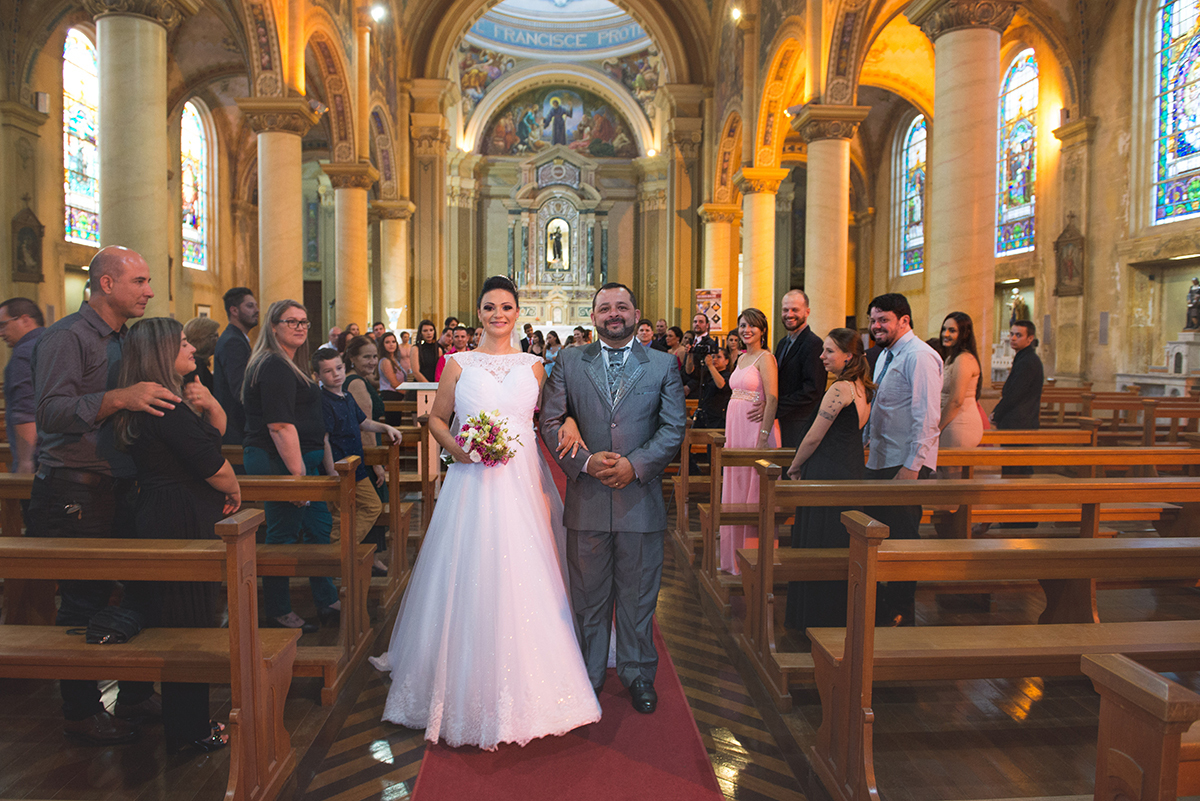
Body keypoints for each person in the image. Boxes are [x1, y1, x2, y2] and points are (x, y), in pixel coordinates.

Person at [374, 276, 602, 749]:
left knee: (527, 568)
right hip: (472, 479)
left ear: (517, 312)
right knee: (466, 566)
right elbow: (436, 418)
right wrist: (458, 451)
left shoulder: (537, 365)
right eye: (489, 307)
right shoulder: (457, 363)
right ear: (478, 313)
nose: (498, 314)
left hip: (521, 479)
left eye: (505, 306)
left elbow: (556, 414)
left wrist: (575, 422)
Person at [30, 245, 179, 745]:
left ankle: (133, 695)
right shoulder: (67, 338)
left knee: (139, 589)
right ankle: (79, 711)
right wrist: (120, 397)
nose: (150, 291)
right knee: (82, 601)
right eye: (139, 281)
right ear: (107, 284)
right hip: (77, 487)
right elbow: (50, 412)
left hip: (121, 483)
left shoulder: (126, 337)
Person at [540, 282, 687, 714]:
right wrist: (585, 463)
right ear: (593, 316)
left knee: (639, 595)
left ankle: (638, 672)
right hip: (586, 497)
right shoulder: (569, 361)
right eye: (605, 308)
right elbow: (550, 420)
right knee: (588, 595)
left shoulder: (662, 365)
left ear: (637, 312)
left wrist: (634, 465)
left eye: (622, 306)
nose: (614, 314)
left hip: (639, 500)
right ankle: (587, 673)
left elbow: (673, 427)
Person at [113, 317, 240, 754]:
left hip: (168, 510)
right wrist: (234, 484)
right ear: (160, 354)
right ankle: (189, 733)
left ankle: (182, 723)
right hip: (178, 518)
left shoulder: (163, 402)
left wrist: (210, 408)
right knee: (187, 624)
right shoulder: (164, 405)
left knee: (184, 617)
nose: (191, 349)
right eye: (183, 343)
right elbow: (212, 465)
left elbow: (205, 442)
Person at [242, 299, 336, 633]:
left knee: (318, 528)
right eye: (291, 321)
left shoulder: (287, 362)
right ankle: (279, 610)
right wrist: (297, 479)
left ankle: (326, 598)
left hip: (299, 462)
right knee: (282, 537)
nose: (299, 327)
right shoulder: (274, 365)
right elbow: (280, 426)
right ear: (273, 326)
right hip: (279, 461)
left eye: (304, 321)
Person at [783, 328, 874, 632]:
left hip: (827, 471)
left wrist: (794, 467)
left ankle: (813, 618)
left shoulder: (840, 390)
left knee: (818, 543)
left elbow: (813, 437)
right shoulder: (862, 388)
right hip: (851, 470)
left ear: (849, 355)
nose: (822, 356)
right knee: (839, 544)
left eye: (829, 351)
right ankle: (836, 616)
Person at [863, 293, 942, 626]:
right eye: (873, 319)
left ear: (904, 320)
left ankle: (901, 608)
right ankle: (882, 601)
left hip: (904, 462)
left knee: (904, 537)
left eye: (883, 320)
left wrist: (913, 466)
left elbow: (927, 416)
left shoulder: (920, 356)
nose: (876, 326)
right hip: (879, 459)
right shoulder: (885, 355)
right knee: (880, 534)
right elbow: (880, 407)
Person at [316, 347, 401, 581]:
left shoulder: (347, 395)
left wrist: (385, 428)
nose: (336, 374)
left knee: (368, 507)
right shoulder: (323, 400)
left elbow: (364, 423)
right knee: (347, 512)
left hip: (357, 465)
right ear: (318, 376)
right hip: (339, 468)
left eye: (339, 368)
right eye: (328, 371)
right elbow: (324, 438)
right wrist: (332, 469)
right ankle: (336, 554)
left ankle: (339, 552)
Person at [718, 308, 780, 575]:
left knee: (753, 493)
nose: (746, 330)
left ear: (762, 330)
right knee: (736, 486)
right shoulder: (742, 357)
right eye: (742, 325)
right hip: (736, 428)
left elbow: (773, 397)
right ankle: (733, 559)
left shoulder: (766, 358)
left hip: (756, 430)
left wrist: (764, 436)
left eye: (752, 326)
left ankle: (754, 561)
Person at [343, 335, 393, 573]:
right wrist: (376, 463)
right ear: (352, 358)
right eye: (367, 356)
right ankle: (365, 557)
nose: (373, 361)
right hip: (364, 454)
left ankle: (367, 557)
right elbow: (364, 425)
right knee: (371, 506)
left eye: (375, 356)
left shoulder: (358, 380)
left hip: (361, 453)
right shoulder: (356, 383)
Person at [771, 290, 825, 448]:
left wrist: (777, 407)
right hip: (782, 420)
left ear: (807, 312)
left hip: (800, 422)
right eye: (785, 310)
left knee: (793, 470)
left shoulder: (814, 344)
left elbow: (812, 391)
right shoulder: (782, 343)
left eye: (795, 309)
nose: (789, 314)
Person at [992, 320, 1044, 475]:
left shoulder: (1027, 361)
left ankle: (1014, 497)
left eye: (1018, 335)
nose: (1013, 338)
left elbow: (1015, 394)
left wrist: (997, 412)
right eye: (1012, 334)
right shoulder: (1024, 358)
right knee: (1013, 466)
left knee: (1016, 468)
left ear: (1030, 339)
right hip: (1019, 421)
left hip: (1020, 422)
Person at [0, 297, 45, 474]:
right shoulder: (56, 341)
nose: (1, 333)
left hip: (36, 456)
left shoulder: (23, 353)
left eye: (3, 325)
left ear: (25, 320)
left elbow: (25, 411)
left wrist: (24, 462)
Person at [213, 287, 258, 449]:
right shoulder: (233, 342)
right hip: (236, 428)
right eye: (250, 306)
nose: (257, 310)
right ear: (234, 310)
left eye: (256, 306)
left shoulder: (237, 339)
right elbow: (240, 390)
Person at [938, 312, 984, 451]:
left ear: (964, 333)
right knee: (942, 471)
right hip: (950, 422)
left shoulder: (963, 359)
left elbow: (956, 400)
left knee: (950, 472)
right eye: (944, 329)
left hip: (959, 425)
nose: (945, 334)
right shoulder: (952, 358)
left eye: (952, 331)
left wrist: (937, 428)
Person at [694, 346, 733, 430]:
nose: (715, 359)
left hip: (718, 418)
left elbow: (721, 385)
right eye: (712, 357)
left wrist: (710, 366)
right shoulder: (707, 374)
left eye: (718, 357)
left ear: (726, 361)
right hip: (706, 414)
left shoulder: (728, 375)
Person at [182, 316, 219, 391]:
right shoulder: (196, 366)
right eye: (216, 336)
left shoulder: (193, 363)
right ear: (204, 339)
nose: (219, 340)